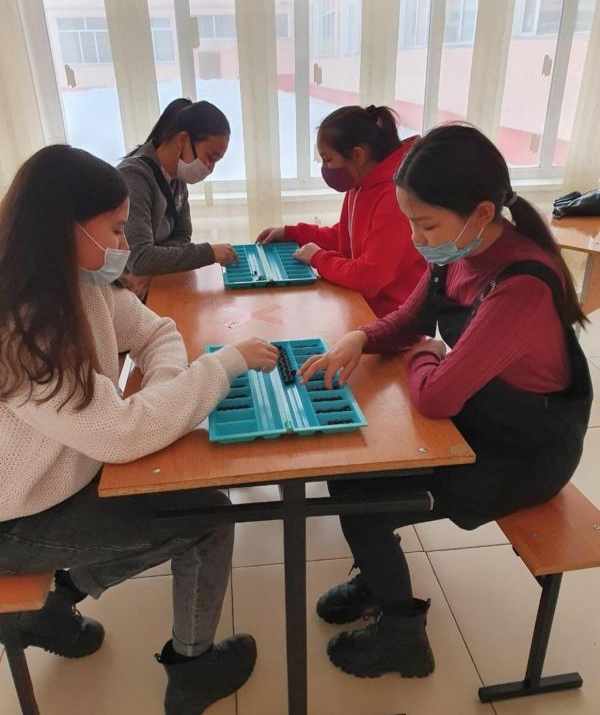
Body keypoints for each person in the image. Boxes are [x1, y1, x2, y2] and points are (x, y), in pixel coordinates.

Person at [297, 124, 592, 680]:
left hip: (522, 455)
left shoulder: (521, 284)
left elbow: (435, 395)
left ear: (482, 213)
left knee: (364, 501)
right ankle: (378, 579)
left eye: (425, 224)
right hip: (484, 417)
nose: (416, 238)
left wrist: (427, 354)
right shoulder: (458, 249)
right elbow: (411, 319)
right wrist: (358, 338)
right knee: (353, 476)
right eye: (410, 221)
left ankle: (402, 636)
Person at [0, 145, 279, 714]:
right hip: (18, 519)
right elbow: (122, 435)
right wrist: (222, 366)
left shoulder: (81, 282)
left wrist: (164, 394)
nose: (125, 246)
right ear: (65, 228)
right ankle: (193, 669)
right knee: (207, 519)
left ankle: (52, 606)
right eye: (115, 230)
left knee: (185, 501)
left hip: (66, 478)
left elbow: (157, 333)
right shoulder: (23, 328)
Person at [256, 105, 427, 317]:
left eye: (328, 159)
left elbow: (369, 277)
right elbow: (345, 237)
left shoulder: (395, 197)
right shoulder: (360, 184)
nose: (325, 168)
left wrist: (318, 258)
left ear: (357, 155)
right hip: (359, 305)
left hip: (391, 319)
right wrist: (292, 233)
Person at [117, 98, 239, 300]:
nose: (210, 168)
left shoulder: (177, 177)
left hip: (153, 286)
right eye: (210, 157)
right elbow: (139, 258)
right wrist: (209, 253)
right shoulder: (134, 177)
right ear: (183, 141)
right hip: (129, 294)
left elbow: (183, 236)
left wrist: (153, 265)